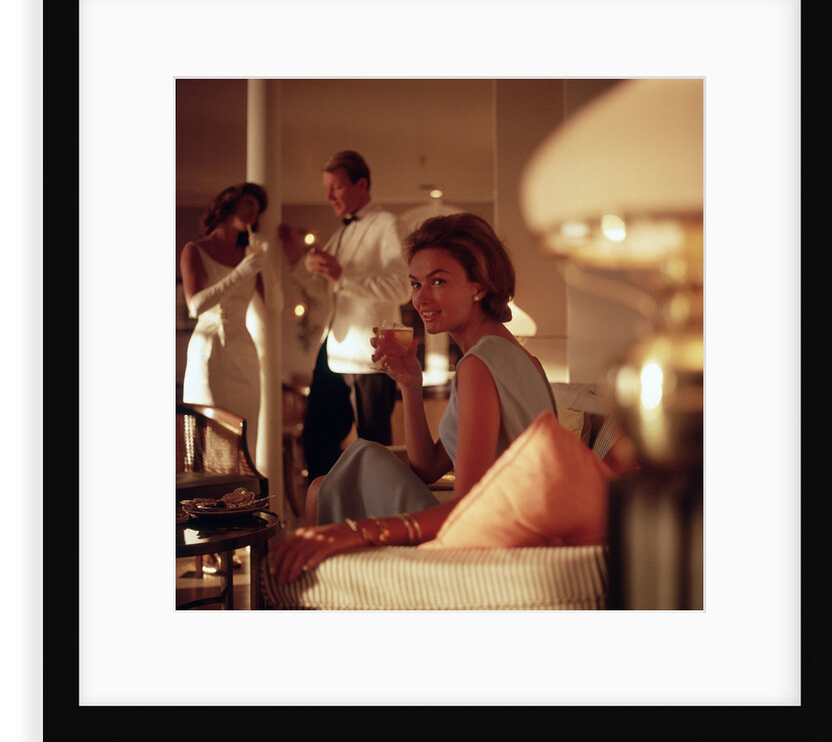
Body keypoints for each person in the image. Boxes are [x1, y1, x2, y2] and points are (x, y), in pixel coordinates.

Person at [268, 212, 558, 584]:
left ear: (479, 286)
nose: (422, 298)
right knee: (326, 485)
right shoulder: (521, 358)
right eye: (416, 284)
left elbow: (467, 509)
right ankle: (330, 581)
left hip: (490, 544)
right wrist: (410, 384)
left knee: (349, 467)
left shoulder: (478, 365)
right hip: (505, 528)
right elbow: (428, 467)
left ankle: (326, 585)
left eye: (438, 281)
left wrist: (357, 532)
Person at [279, 150, 411, 483]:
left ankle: (378, 521)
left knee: (374, 445)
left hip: (371, 352)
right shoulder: (340, 234)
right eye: (327, 188)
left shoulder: (388, 225)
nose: (328, 197)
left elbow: (402, 288)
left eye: (335, 187)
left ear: (361, 184)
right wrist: (298, 260)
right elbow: (326, 292)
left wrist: (341, 275)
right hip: (334, 349)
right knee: (316, 438)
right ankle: (331, 511)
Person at [180, 181, 284, 467]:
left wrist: (267, 261)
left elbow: (276, 304)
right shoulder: (195, 250)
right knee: (210, 432)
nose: (254, 212)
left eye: (258, 208)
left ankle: (243, 503)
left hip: (243, 353)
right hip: (209, 350)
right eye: (249, 203)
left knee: (244, 436)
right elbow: (196, 306)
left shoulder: (249, 254)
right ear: (228, 203)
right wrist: (240, 273)